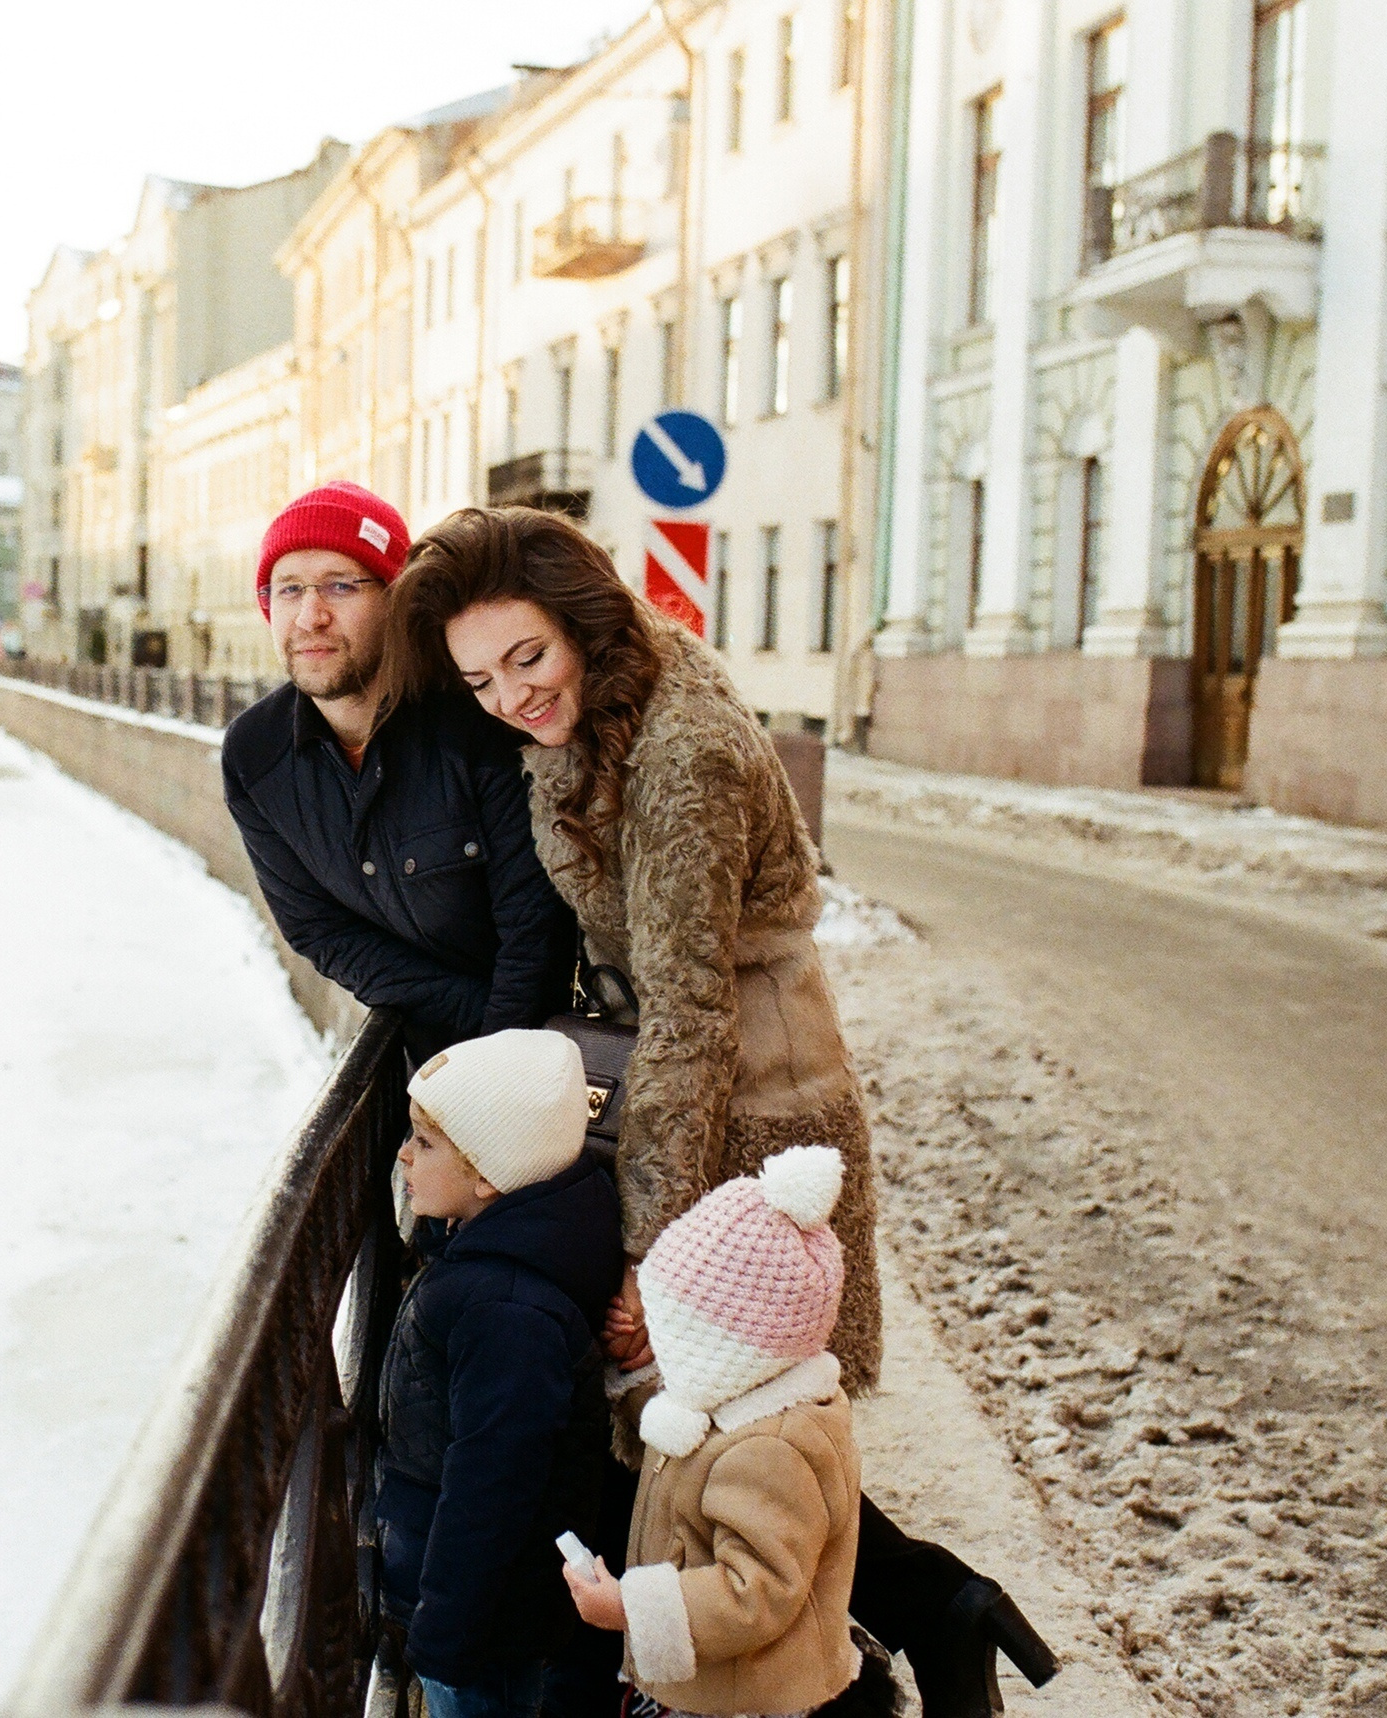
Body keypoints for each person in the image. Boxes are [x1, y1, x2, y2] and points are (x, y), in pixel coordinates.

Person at [388, 506, 1058, 1718]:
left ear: (580, 619)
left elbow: (692, 1008)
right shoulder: (602, 701)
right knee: (726, 1433)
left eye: (527, 658)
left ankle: (826, 1674)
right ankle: (934, 1608)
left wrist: (650, 1246)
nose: (508, 696)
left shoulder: (681, 752)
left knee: (727, 1438)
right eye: (480, 677)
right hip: (698, 1085)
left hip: (752, 1102)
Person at [221, 482, 577, 1061]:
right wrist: (466, 1021)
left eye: (341, 585)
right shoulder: (255, 757)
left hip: (554, 1061)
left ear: (395, 599)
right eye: (289, 590)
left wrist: (487, 1077)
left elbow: (537, 931)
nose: (311, 616)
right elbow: (321, 932)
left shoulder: (480, 715)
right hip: (438, 1060)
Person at [565, 1146, 896, 1718]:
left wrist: (628, 1607)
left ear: (725, 1349)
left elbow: (758, 1590)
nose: (657, 1340)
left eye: (672, 1328)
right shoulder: (732, 1404)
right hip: (717, 1685)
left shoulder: (770, 1450)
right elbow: (688, 1460)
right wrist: (633, 1374)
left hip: (749, 1700)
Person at [377, 1029, 627, 1718]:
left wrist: (444, 1633)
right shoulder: (491, 1263)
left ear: (489, 1175)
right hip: (475, 1608)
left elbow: (493, 1483)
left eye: (425, 1143)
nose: (402, 1155)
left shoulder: (506, 1309)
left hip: (479, 1627)